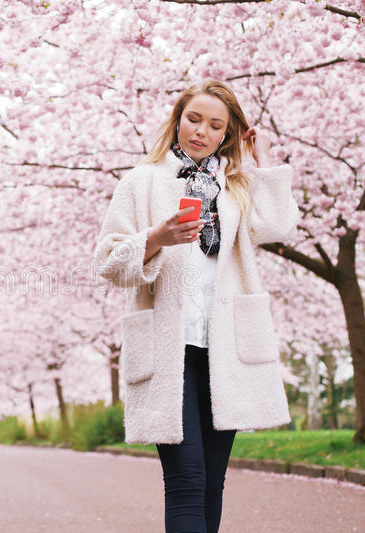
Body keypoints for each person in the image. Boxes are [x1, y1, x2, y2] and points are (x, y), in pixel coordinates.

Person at [93, 79, 300, 533]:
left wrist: (261, 160)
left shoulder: (235, 188)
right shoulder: (142, 182)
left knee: (212, 482)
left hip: (224, 346)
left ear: (227, 134)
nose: (200, 132)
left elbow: (279, 225)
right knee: (186, 478)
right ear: (177, 120)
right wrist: (155, 239)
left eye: (215, 125)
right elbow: (107, 262)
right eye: (193, 119)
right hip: (171, 348)